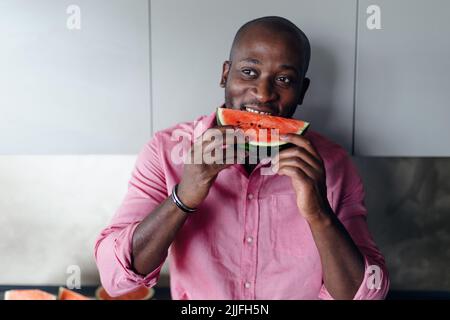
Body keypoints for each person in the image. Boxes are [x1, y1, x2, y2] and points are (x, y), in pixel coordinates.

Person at [94, 16, 389, 300]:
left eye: (284, 79)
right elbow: (115, 277)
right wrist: (183, 198)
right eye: (249, 71)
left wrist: (319, 214)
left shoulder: (333, 165)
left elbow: (367, 293)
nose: (263, 94)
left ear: (302, 91)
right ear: (225, 73)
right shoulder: (164, 152)